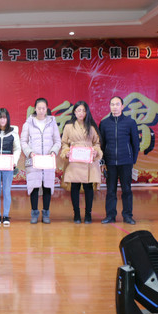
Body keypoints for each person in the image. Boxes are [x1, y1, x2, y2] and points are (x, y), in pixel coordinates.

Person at [60, 101, 102, 224]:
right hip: (74, 160)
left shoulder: (92, 126)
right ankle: (76, 214)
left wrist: (95, 152)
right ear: (74, 112)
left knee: (89, 187)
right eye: (78, 110)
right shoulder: (68, 127)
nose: (81, 113)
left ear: (87, 112)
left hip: (88, 160)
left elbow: (97, 143)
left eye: (83, 110)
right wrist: (66, 152)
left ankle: (88, 214)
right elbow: (64, 143)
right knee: (75, 186)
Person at [99, 96, 140, 225]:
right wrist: (102, 161)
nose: (115, 107)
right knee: (111, 190)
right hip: (110, 162)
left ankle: (127, 216)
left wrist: (132, 160)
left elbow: (135, 143)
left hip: (126, 162)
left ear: (122, 106)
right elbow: (101, 144)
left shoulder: (130, 122)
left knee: (126, 190)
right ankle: (110, 216)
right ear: (109, 106)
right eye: (112, 104)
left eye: (117, 104)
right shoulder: (104, 123)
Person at [20, 98, 61, 224]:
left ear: (47, 109)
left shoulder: (52, 123)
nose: (41, 110)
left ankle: (46, 213)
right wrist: (30, 152)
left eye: (44, 108)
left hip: (48, 160)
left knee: (47, 186)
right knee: (34, 186)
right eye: (39, 108)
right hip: (34, 159)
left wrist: (53, 151)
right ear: (35, 109)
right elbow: (23, 141)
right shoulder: (28, 123)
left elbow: (57, 141)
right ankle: (34, 213)